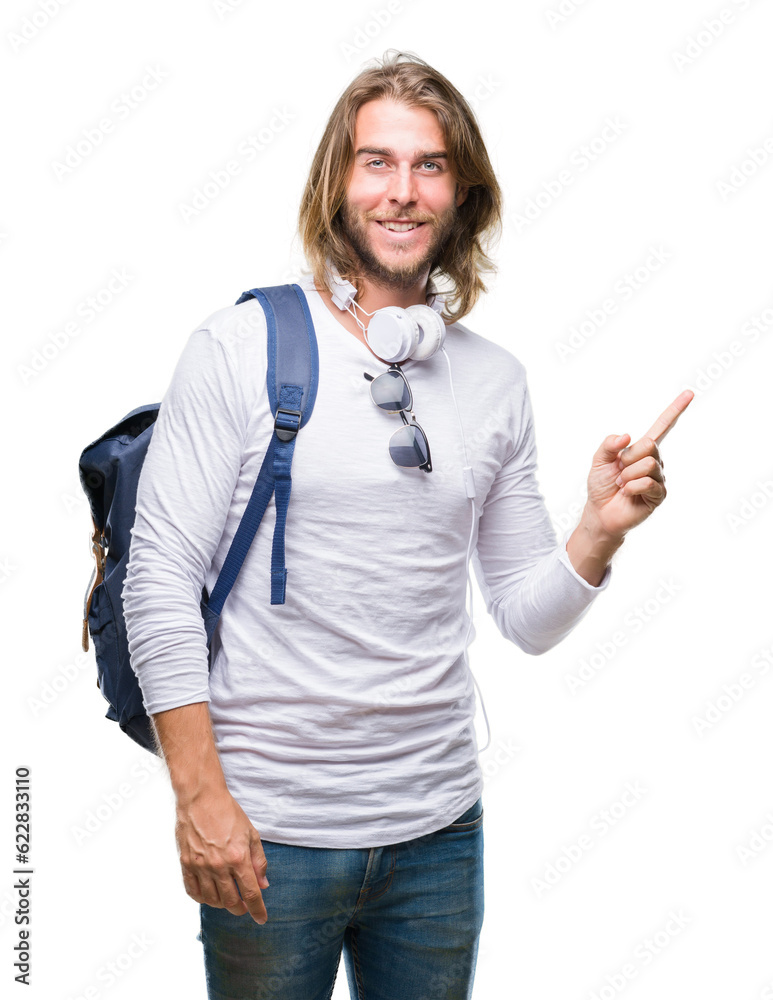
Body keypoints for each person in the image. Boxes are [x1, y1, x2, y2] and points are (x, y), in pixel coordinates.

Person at [122, 51, 692, 1000]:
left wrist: (599, 529)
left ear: (461, 194)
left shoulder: (494, 381)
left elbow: (525, 618)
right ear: (336, 184)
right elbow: (158, 579)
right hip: (268, 833)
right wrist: (200, 798)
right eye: (376, 162)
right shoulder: (240, 347)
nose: (402, 190)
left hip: (438, 833)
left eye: (429, 165)